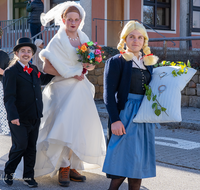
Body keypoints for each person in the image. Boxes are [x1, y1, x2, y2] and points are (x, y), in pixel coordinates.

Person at [30, 1, 106, 187]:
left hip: (80, 88)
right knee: (65, 126)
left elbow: (91, 63)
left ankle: (72, 165)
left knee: (79, 126)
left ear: (80, 20)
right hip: (63, 88)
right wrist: (71, 72)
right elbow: (47, 67)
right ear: (63, 20)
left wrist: (89, 66)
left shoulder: (84, 37)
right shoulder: (58, 40)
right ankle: (63, 167)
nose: (73, 22)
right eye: (69, 19)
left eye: (76, 19)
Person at [102, 20, 159, 190]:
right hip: (125, 115)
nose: (136, 41)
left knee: (137, 169)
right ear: (125, 39)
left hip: (143, 116)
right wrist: (115, 120)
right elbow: (108, 95)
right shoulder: (116, 61)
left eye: (140, 37)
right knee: (120, 166)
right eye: (132, 37)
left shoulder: (149, 63)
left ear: (144, 41)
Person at [2, 37, 54, 187]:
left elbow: (43, 80)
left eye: (29, 51)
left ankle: (28, 176)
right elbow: (9, 97)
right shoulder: (11, 72)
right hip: (18, 117)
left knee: (31, 147)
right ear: (17, 53)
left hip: (35, 115)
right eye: (23, 51)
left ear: (32, 54)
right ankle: (9, 172)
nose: (26, 53)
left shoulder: (34, 70)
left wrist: (60, 70)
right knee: (20, 146)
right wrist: (13, 116)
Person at [0, 27, 10, 135]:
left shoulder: (3, 55)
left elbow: (9, 72)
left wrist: (2, 71)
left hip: (0, 86)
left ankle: (3, 130)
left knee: (2, 109)